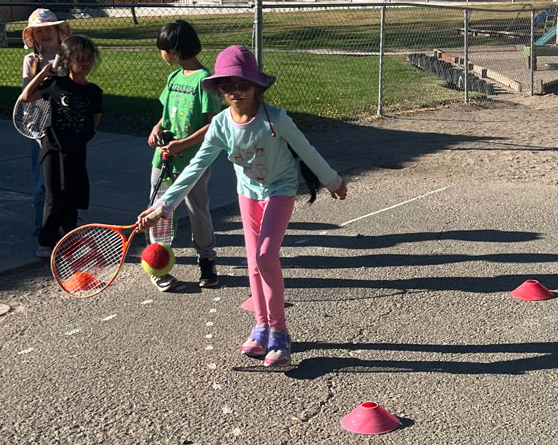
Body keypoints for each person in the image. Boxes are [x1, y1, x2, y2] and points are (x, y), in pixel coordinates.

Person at [138, 45, 347, 367]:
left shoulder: (275, 119)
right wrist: (164, 204)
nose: (235, 92)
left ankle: (280, 332)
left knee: (265, 255)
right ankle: (261, 326)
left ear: (256, 86)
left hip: (279, 189)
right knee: (252, 262)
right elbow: (195, 167)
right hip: (248, 193)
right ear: (219, 89)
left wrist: (332, 181)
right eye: (227, 85)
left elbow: (305, 149)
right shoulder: (221, 124)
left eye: (243, 84)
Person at [146, 20, 220, 292]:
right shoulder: (174, 78)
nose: (161, 55)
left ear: (175, 50)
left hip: (193, 163)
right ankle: (158, 264)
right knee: (159, 212)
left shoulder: (205, 81)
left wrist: (183, 144)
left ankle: (206, 261)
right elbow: (165, 115)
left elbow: (214, 124)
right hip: (163, 160)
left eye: (163, 49)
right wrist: (157, 129)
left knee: (197, 211)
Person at [19, 35, 102, 258]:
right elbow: (26, 97)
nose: (85, 63)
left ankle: (69, 239)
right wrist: (42, 75)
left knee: (72, 196)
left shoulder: (94, 92)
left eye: (88, 59)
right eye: (79, 59)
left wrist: (79, 138)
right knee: (54, 196)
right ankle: (46, 240)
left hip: (76, 151)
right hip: (52, 150)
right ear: (66, 61)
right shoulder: (56, 85)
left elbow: (93, 120)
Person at [21, 9, 71, 235]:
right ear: (32, 36)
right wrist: (43, 74)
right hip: (39, 129)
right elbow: (27, 94)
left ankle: (67, 222)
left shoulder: (69, 58)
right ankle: (41, 225)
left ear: (59, 32)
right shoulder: (31, 60)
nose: (44, 34)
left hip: (65, 128)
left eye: (48, 29)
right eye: (38, 31)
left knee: (67, 177)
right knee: (42, 179)